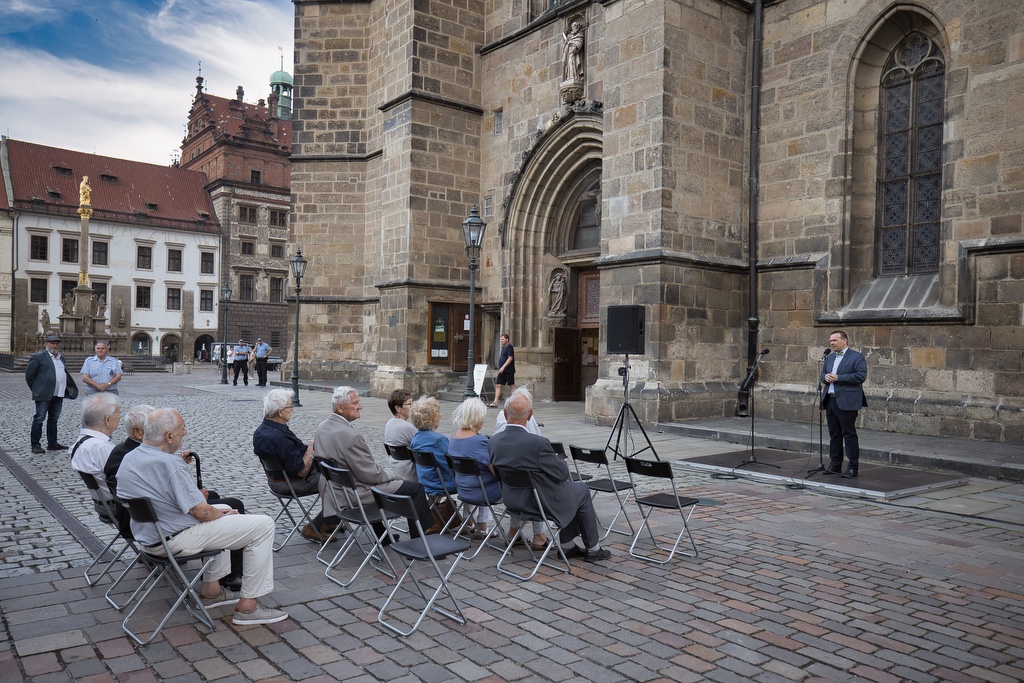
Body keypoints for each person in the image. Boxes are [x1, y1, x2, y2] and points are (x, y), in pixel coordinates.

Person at [116, 409, 288, 625]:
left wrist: (220, 513)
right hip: (173, 539)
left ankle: (211, 591)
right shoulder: (170, 464)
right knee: (264, 525)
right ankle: (249, 607)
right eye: (182, 429)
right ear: (169, 436)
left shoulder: (130, 458)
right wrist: (218, 515)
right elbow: (202, 512)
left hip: (149, 537)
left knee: (224, 509)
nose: (185, 433)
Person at [109, 403, 245, 591]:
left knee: (217, 503)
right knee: (232, 509)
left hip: (147, 527)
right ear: (140, 432)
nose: (185, 433)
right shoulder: (136, 456)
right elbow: (198, 511)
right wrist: (198, 496)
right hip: (159, 531)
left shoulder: (128, 455)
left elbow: (151, 486)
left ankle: (219, 578)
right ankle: (227, 579)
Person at [489, 392, 610, 562]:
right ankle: (593, 548)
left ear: (504, 412)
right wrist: (558, 461)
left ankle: (568, 547)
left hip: (512, 500)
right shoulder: (537, 443)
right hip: (538, 502)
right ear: (530, 415)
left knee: (569, 491)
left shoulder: (493, 441)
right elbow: (562, 474)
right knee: (581, 489)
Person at [313, 387, 434, 538]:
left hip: (334, 489)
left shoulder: (322, 426)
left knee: (373, 484)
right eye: (356, 403)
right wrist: (391, 477)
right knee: (415, 489)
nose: (360, 406)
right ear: (340, 407)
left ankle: (384, 538)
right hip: (352, 494)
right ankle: (420, 541)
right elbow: (370, 474)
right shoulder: (351, 436)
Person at [253, 389, 340, 543]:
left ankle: (331, 520)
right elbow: (301, 471)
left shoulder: (262, 430)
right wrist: (311, 449)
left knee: (335, 472)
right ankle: (316, 526)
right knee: (340, 482)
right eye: (290, 407)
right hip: (291, 483)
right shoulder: (279, 437)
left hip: (276, 480)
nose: (292, 410)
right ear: (280, 412)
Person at [448, 398, 502, 539]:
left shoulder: (453, 438)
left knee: (478, 476)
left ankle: (468, 521)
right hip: (480, 493)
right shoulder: (479, 442)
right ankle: (483, 526)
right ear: (477, 419)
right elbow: (496, 471)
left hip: (463, 489)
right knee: (510, 485)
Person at [819, 330, 868, 479]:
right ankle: (835, 464)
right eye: (830, 341)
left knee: (849, 434)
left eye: (835, 340)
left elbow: (861, 376)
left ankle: (852, 467)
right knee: (834, 435)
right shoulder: (829, 357)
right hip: (831, 400)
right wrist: (825, 377)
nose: (832, 343)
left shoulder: (856, 357)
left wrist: (839, 377)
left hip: (847, 401)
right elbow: (823, 375)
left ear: (844, 341)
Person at [25, 335, 78, 454]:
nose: (55, 345)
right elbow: (29, 375)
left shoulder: (61, 358)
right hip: (44, 394)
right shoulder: (38, 357)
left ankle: (52, 443)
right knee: (39, 419)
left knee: (53, 419)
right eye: (52, 343)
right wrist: (37, 389)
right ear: (46, 344)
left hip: (58, 394)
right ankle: (35, 444)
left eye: (57, 343)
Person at [70, 393, 121, 515]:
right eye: (118, 413)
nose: (120, 417)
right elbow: (124, 481)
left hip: (103, 504)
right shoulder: (101, 448)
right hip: (119, 508)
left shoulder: (78, 444)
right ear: (107, 419)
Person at [409, 397, 457, 520]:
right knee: (473, 481)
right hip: (442, 484)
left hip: (425, 482)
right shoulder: (439, 440)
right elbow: (451, 465)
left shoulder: (416, 438)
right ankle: (473, 523)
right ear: (433, 418)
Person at [383, 389, 418, 482]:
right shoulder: (407, 427)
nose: (413, 407)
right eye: (409, 404)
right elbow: (424, 444)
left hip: (398, 470)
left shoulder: (389, 424)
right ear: (398, 408)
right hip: (411, 473)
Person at [490, 334, 515, 407]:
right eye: (501, 340)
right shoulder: (504, 347)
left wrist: (503, 367)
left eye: (503, 339)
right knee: (498, 384)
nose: (501, 341)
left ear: (507, 339)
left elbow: (510, 358)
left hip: (508, 370)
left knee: (512, 385)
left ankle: (519, 399)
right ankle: (495, 402)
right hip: (503, 371)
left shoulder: (509, 347)